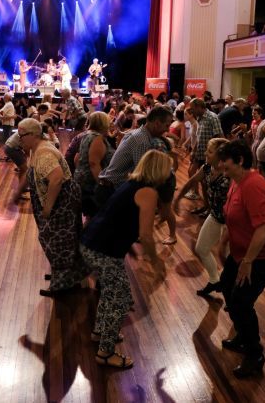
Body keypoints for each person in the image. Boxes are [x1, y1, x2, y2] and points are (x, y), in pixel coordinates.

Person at [80, 150, 171, 369]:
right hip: (104, 250)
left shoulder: (131, 183)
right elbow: (146, 234)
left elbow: (118, 217)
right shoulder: (148, 192)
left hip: (91, 244)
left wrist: (129, 247)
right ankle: (106, 352)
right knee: (121, 299)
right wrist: (155, 260)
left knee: (111, 292)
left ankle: (100, 331)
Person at [217, 140, 265, 378]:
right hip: (245, 250)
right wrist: (223, 243)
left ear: (240, 160)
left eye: (225, 163)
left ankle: (254, 354)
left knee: (240, 300)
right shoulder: (236, 181)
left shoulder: (253, 185)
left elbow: (264, 229)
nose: (221, 167)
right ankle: (242, 334)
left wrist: (247, 262)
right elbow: (232, 214)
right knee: (227, 286)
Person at [18, 118, 89, 296]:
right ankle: (65, 276)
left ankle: (63, 285)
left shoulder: (43, 152)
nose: (20, 140)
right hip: (63, 198)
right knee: (62, 240)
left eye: (22, 136)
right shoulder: (39, 147)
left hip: (61, 201)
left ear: (33, 134)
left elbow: (56, 178)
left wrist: (48, 208)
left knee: (57, 241)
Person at [173, 138, 229, 296]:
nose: (205, 153)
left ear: (220, 155)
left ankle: (232, 292)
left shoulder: (228, 174)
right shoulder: (207, 168)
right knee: (201, 248)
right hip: (216, 216)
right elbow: (191, 181)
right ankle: (214, 280)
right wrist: (177, 199)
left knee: (229, 258)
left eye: (210, 151)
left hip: (231, 222)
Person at [74, 112, 114, 218]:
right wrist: (102, 184)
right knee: (95, 218)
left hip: (82, 180)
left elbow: (77, 158)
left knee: (91, 216)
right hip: (91, 184)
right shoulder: (97, 138)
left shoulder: (86, 135)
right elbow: (94, 163)